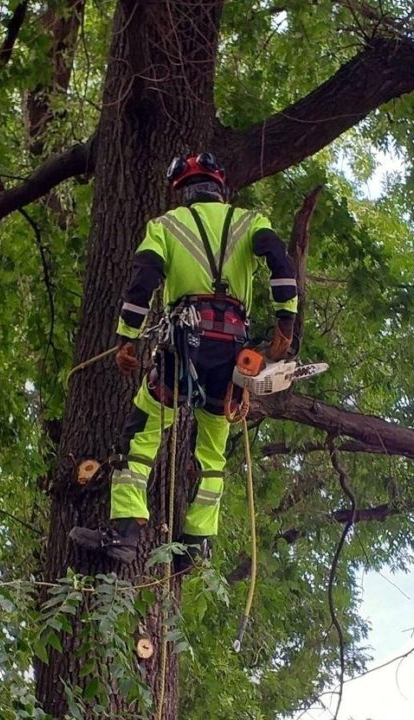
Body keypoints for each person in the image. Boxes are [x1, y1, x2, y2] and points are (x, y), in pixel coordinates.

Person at [69, 152, 297, 570]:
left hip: (182, 345)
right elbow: (281, 263)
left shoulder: (164, 226)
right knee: (212, 451)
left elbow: (143, 282)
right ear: (219, 187)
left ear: (181, 192)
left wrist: (128, 339)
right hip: (231, 354)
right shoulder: (251, 222)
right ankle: (195, 544)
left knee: (141, 433)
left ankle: (125, 532)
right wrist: (287, 323)